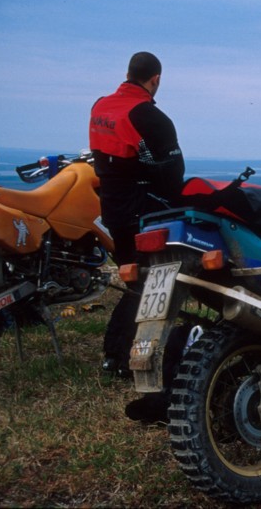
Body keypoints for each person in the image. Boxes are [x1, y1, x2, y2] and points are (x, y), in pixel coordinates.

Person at [89, 51, 185, 385]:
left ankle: (116, 355)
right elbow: (172, 176)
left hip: (112, 206)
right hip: (143, 208)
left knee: (133, 278)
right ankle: (124, 356)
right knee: (150, 284)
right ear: (155, 79)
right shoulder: (149, 117)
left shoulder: (100, 106)